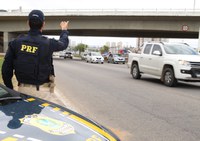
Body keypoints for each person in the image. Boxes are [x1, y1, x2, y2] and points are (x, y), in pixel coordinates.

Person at [1, 9, 69, 99]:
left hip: (23, 89)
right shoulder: (49, 43)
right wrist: (64, 30)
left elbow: (6, 70)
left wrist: (11, 90)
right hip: (44, 92)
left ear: (28, 23)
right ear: (43, 24)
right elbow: (63, 43)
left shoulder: (16, 43)